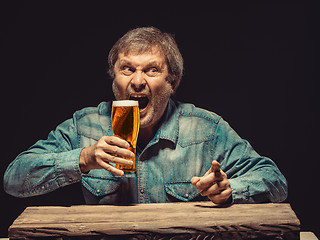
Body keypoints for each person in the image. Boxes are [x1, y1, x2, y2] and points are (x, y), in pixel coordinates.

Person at [4, 27, 287, 205]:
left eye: (152, 70)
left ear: (172, 83)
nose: (138, 81)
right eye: (127, 69)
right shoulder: (85, 125)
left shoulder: (206, 129)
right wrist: (83, 158)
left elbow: (275, 180)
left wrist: (230, 190)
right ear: (114, 80)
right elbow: (14, 179)